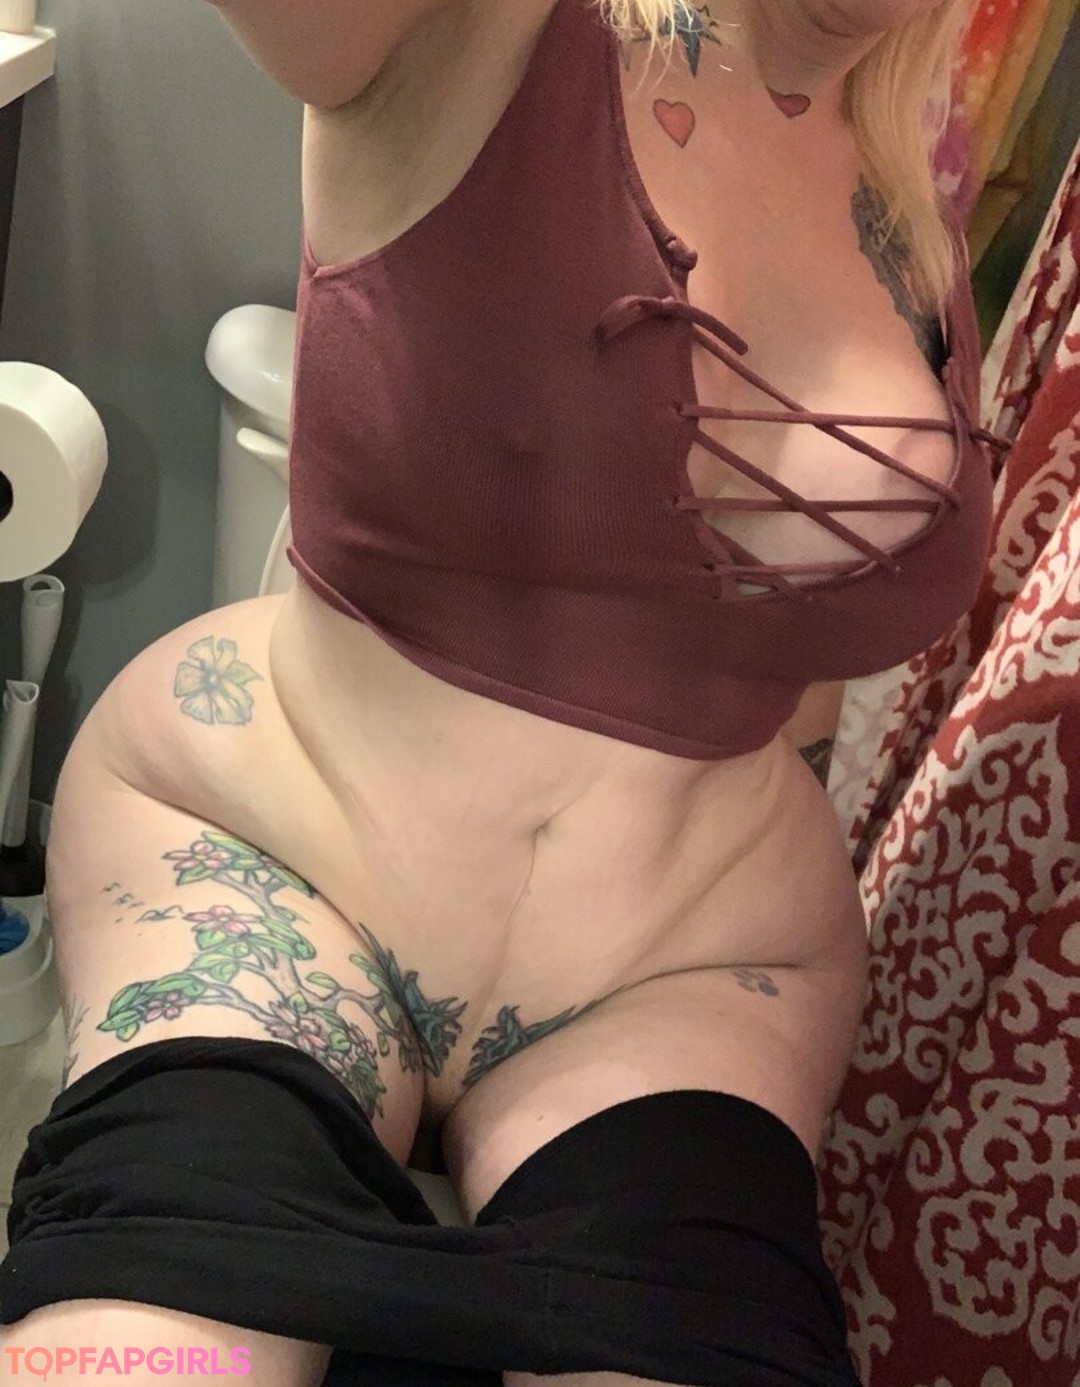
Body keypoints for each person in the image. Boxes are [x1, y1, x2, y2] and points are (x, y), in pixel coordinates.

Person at [0, 2, 994, 1384]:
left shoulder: (913, 144)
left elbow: (783, 656)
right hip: (274, 861)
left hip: (694, 968)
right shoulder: (486, 22)